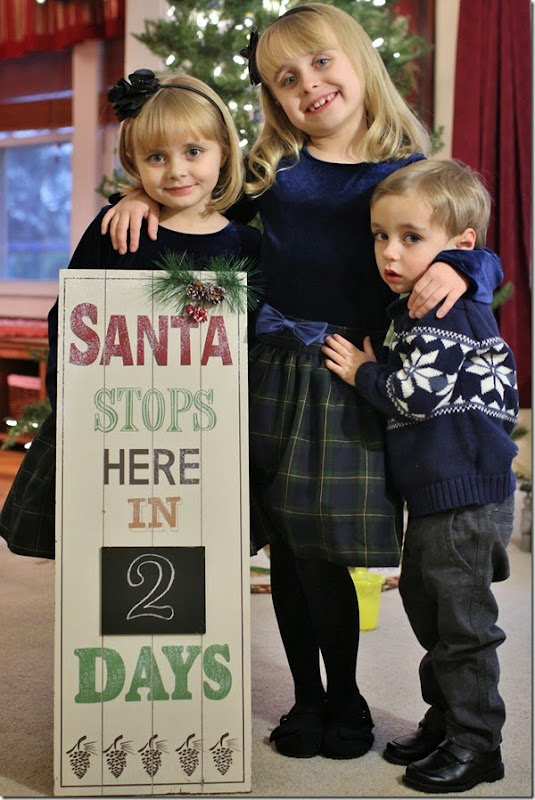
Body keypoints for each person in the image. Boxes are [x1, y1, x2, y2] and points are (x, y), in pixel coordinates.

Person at [100, 4, 503, 761]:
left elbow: (465, 240)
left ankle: (346, 695)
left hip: (346, 377)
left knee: (326, 549)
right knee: (285, 549)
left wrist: (464, 265)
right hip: (268, 372)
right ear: (272, 97)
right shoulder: (271, 171)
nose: (308, 85)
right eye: (285, 78)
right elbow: (195, 200)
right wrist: (139, 196)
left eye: (320, 63)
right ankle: (307, 696)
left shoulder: (403, 169)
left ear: (357, 61)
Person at [0, 69, 261, 560]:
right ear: (134, 161)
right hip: (113, 425)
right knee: (103, 545)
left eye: (194, 152)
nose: (177, 171)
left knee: (195, 549)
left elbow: (255, 339)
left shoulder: (247, 243)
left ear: (224, 151)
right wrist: (70, 402)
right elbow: (71, 317)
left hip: (204, 433)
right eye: (156, 158)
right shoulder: (118, 228)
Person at [322, 158, 518, 792]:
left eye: (411, 237)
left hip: (466, 493)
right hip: (439, 492)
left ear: (460, 245)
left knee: (462, 626)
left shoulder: (444, 306)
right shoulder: (414, 308)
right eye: (381, 235)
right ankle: (448, 717)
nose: (389, 251)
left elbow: (418, 395)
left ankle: (478, 743)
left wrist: (363, 373)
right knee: (428, 609)